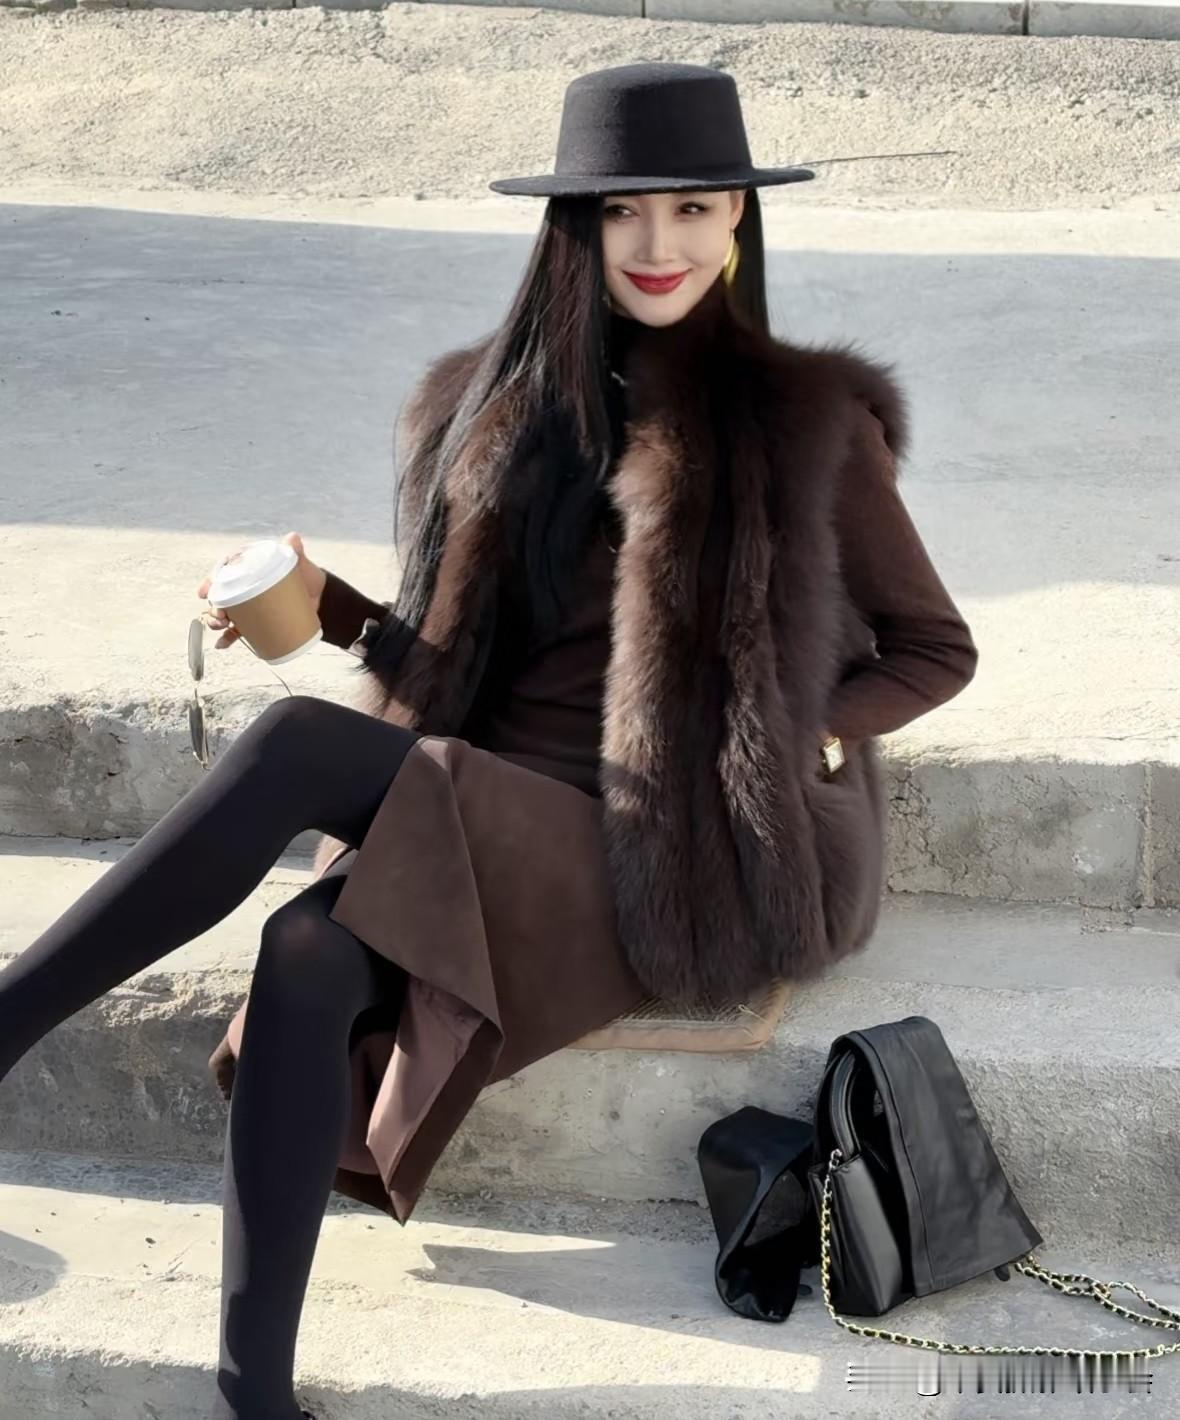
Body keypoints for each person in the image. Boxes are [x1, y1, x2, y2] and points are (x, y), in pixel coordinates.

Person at [0, 62, 978, 1420]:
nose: (660, 243)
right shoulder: (488, 409)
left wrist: (795, 731)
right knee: (303, 953)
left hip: (652, 848)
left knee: (291, 749)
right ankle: (253, 1393)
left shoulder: (805, 421)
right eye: (623, 211)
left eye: (694, 209)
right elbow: (448, 666)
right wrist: (332, 611)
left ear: (738, 222)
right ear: (573, 226)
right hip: (479, 804)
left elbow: (936, 648)